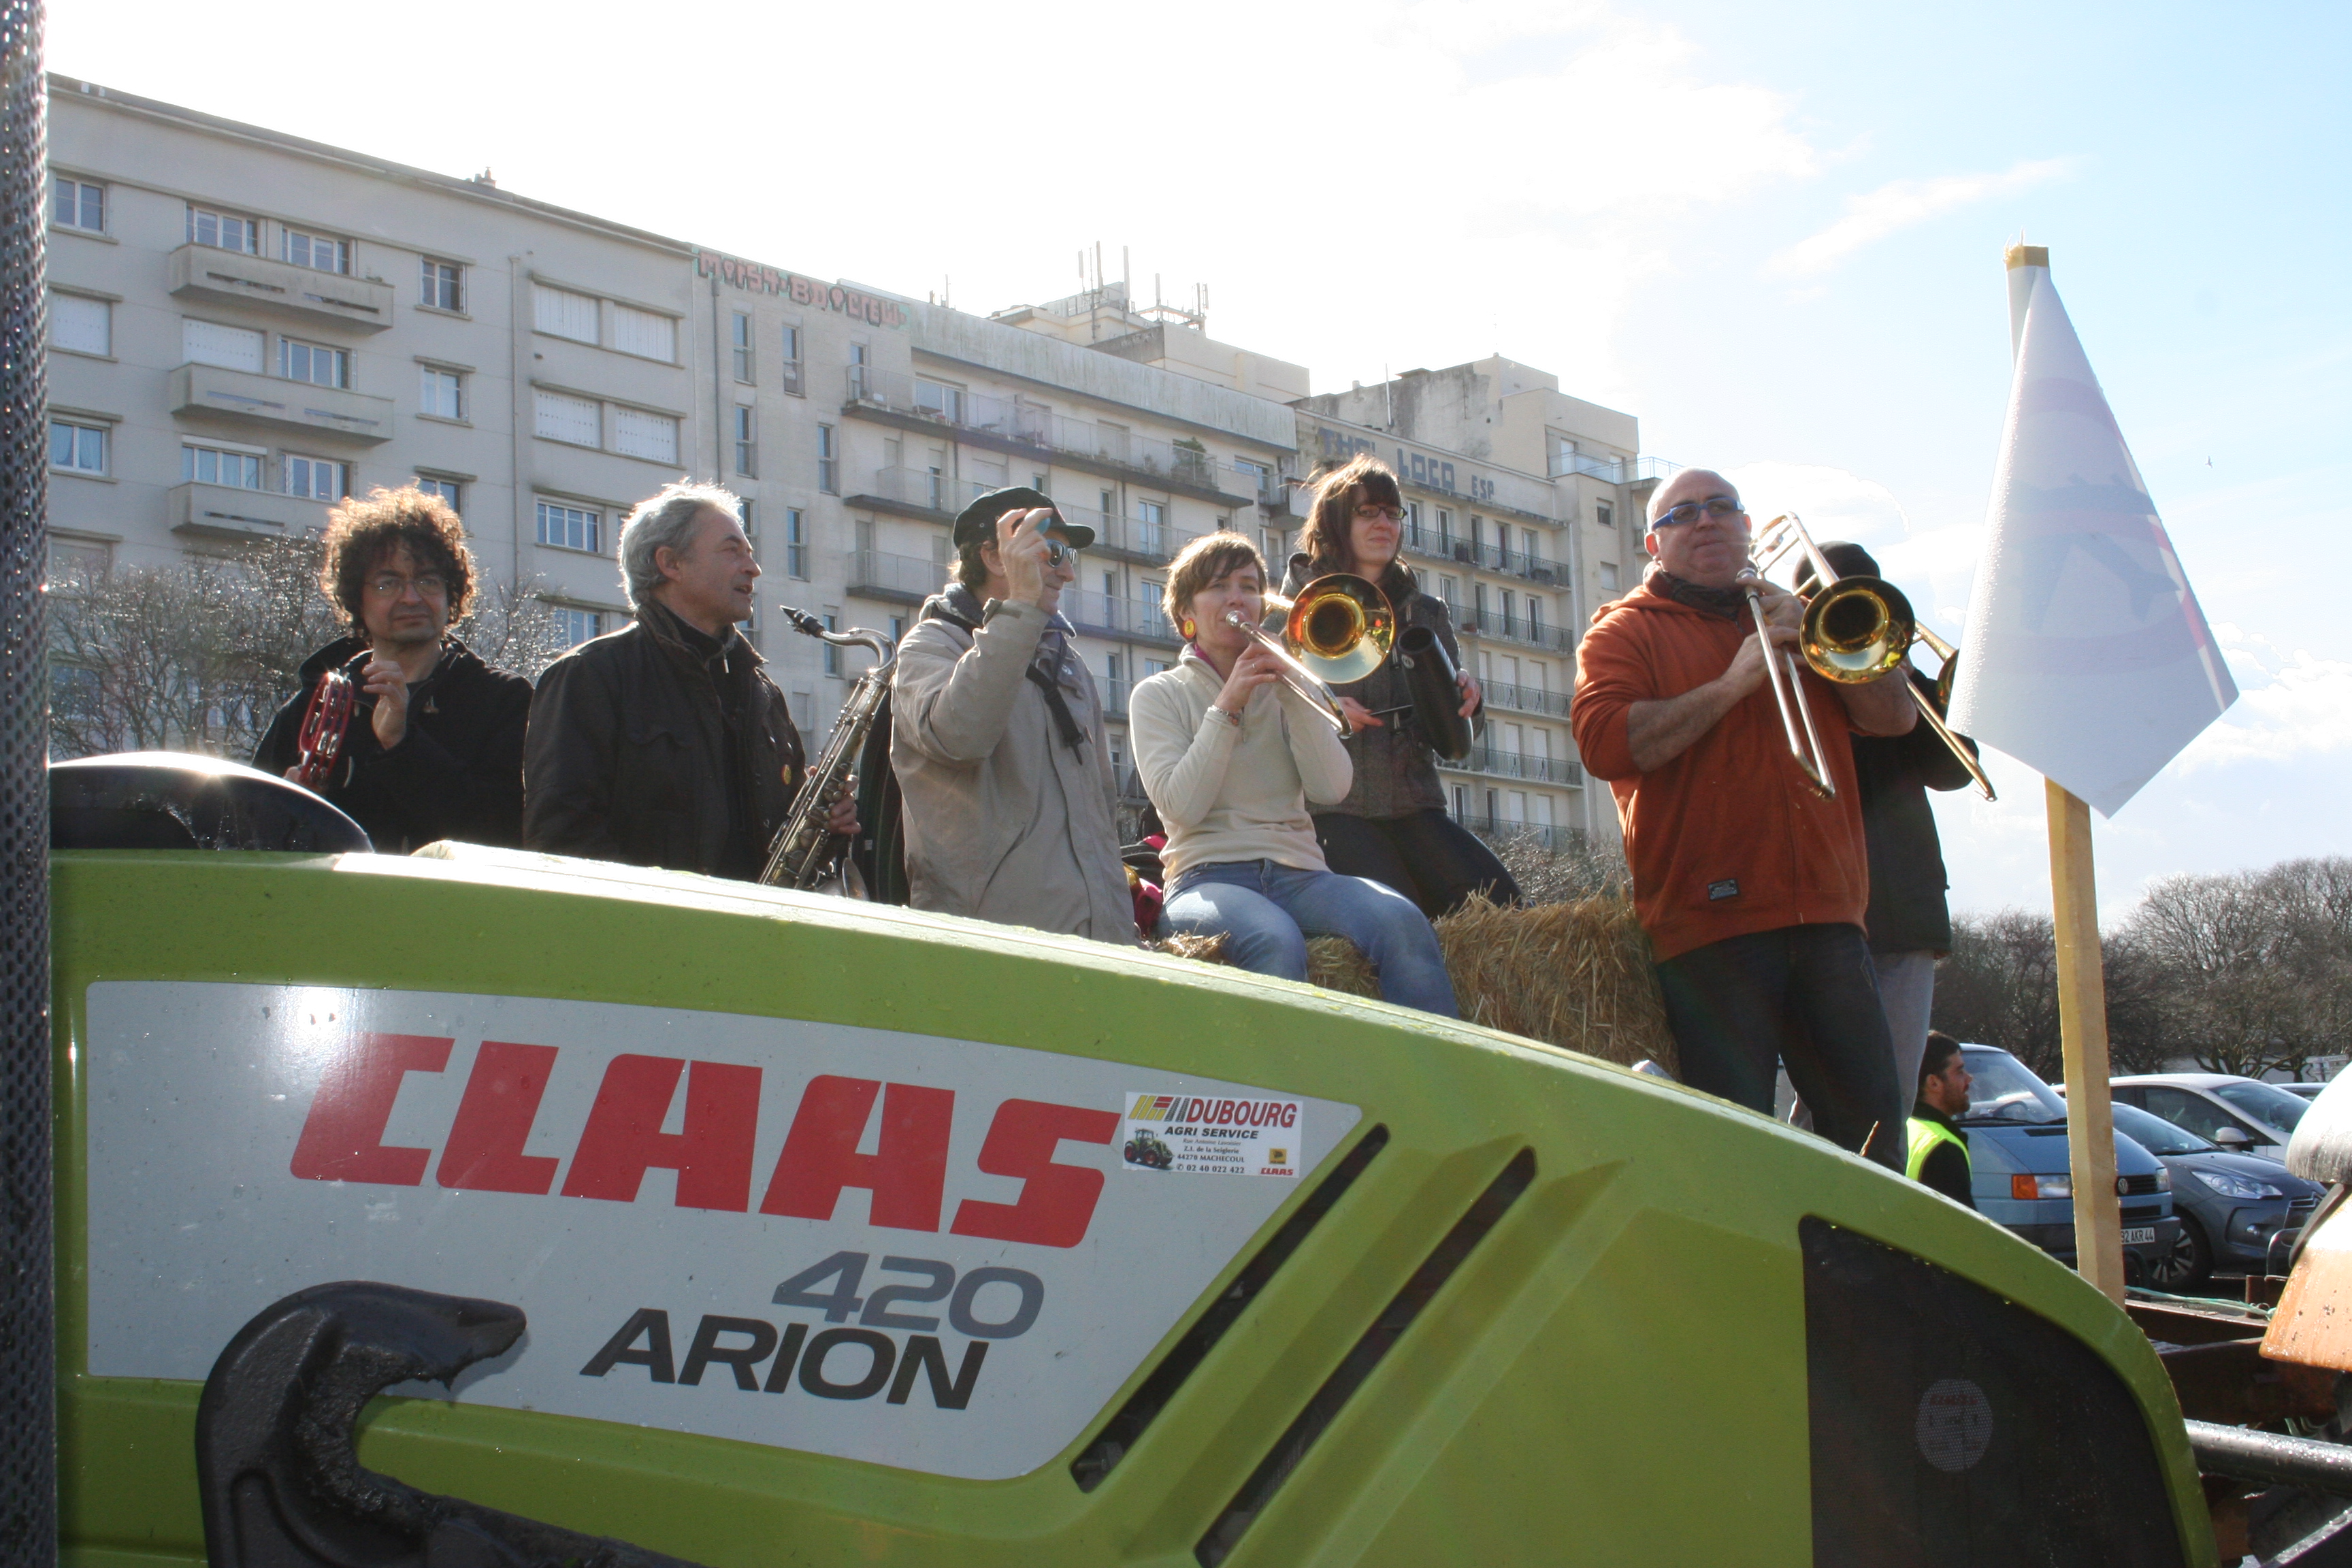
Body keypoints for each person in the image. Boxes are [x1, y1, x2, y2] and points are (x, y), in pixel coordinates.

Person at [1569, 470, 1917, 1168]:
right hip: (1712, 926)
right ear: (1653, 543)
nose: (1707, 522)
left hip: (1827, 915)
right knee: (1735, 1151)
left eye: (1723, 509)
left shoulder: (1801, 618)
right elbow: (1606, 744)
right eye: (1684, 514)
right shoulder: (1623, 630)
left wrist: (1822, 645)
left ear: (1748, 527)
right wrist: (1733, 684)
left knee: (1874, 1140)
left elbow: (1897, 718)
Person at [1130, 532, 1459, 1018]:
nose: (1237, 598)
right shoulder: (1157, 695)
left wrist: (1297, 694)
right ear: (1187, 616)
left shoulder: (1288, 688)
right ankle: (1292, 1092)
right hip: (1206, 876)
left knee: (1403, 921)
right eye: (1219, 587)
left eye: (1248, 586)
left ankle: (1437, 1080)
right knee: (1273, 938)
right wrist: (1227, 705)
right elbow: (1181, 808)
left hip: (1303, 874)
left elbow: (1332, 788)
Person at [523, 480, 847, 878]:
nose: (754, 568)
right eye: (733, 551)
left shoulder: (763, 693)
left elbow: (788, 845)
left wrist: (827, 829)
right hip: (651, 934)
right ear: (670, 563)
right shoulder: (589, 676)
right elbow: (561, 839)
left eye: (750, 553)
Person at [1278, 455, 1520, 917]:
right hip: (1327, 809)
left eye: (1392, 513)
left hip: (1413, 803)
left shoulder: (1427, 611)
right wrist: (1323, 709)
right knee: (1402, 915)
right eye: (1367, 512)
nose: (1384, 524)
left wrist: (1466, 701)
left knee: (1504, 909)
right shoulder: (1294, 604)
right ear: (1334, 522)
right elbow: (1263, 704)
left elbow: (1455, 744)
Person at [890, 486, 1132, 943]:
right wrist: (1020, 607)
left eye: (1070, 556)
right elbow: (960, 737)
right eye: (1053, 552)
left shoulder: (1069, 664)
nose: (1067, 573)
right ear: (996, 556)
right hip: (995, 947)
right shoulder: (930, 646)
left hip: (1101, 937)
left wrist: (1119, 921)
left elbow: (1101, 805)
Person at [1797, 541, 1980, 1104]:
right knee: (1829, 1098)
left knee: (1888, 1100)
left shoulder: (1905, 679)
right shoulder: (1788, 676)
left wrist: (1893, 673)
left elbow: (1955, 769)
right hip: (1817, 910)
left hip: (1900, 912)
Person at [255, 486, 531, 853]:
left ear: (453, 594)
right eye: (388, 583)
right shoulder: (313, 708)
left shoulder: (504, 700)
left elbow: (509, 835)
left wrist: (402, 745)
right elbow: (246, 833)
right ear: (357, 600)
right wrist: (294, 809)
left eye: (428, 580)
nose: (412, 597)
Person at [1908, 1032, 1976, 1209]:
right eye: (1960, 1072)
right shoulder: (1944, 1147)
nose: (1969, 1078)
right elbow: (1960, 1229)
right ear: (1933, 1083)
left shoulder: (1905, 1127)